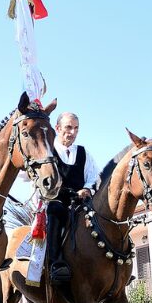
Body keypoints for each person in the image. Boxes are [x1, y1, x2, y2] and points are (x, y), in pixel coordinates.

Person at [46, 112, 99, 283]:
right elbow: (28, 175)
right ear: (58, 128)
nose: (73, 132)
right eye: (69, 127)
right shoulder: (47, 151)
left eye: (76, 128)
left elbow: (94, 177)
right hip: (56, 202)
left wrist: (86, 189)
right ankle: (55, 263)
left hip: (81, 203)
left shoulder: (84, 153)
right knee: (55, 210)